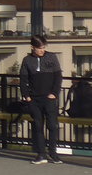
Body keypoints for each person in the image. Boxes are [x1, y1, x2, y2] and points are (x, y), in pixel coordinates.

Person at [20, 34, 63, 164]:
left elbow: (58, 77)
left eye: (44, 47)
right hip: (34, 99)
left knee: (52, 125)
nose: (42, 50)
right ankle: (41, 154)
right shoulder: (27, 60)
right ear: (33, 47)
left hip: (49, 98)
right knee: (38, 126)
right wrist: (27, 96)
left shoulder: (52, 57)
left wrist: (54, 93)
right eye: (39, 48)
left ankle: (53, 153)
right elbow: (23, 79)